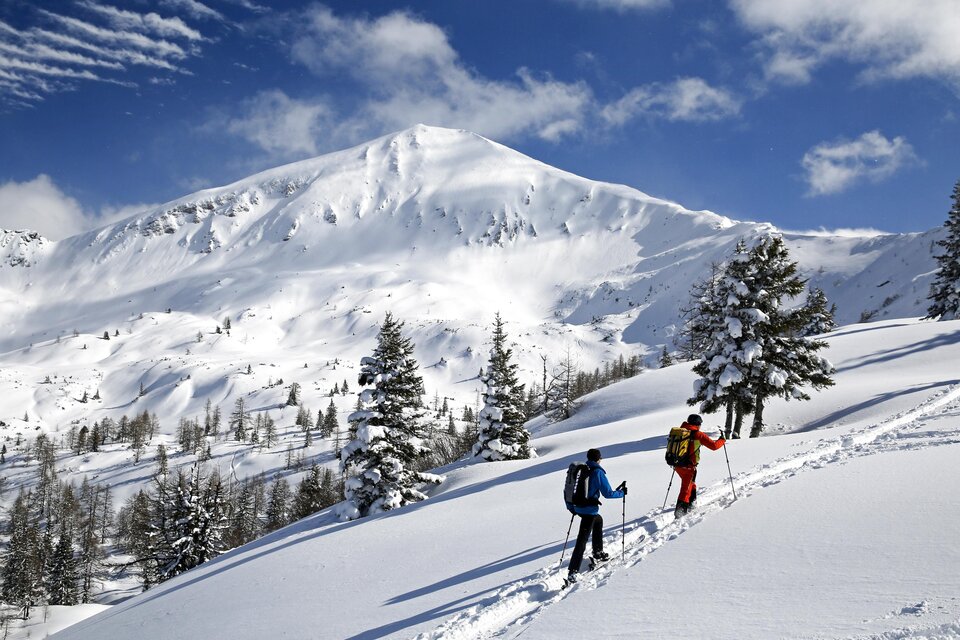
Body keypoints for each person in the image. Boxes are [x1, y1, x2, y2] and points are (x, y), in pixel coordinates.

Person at [566, 448, 625, 585]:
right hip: (588, 510)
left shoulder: (581, 469)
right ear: (599, 459)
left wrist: (571, 508)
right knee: (582, 539)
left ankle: (598, 552)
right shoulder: (598, 472)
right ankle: (572, 571)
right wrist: (622, 493)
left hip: (577, 507)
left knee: (598, 520)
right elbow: (608, 493)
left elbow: (568, 488)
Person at [673, 413, 724, 518]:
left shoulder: (680, 432)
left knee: (691, 483)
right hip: (688, 466)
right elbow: (714, 446)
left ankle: (692, 503)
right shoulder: (698, 434)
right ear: (697, 424)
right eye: (700, 424)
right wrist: (722, 440)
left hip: (677, 464)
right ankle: (680, 512)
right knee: (685, 489)